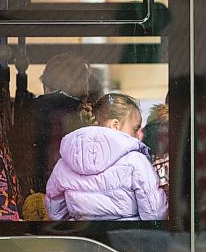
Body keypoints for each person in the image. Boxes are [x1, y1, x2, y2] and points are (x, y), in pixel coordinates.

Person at [45, 93, 168, 221]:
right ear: (115, 126)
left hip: (82, 237)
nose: (138, 135)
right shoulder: (136, 162)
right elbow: (154, 214)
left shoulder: (64, 164)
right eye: (135, 129)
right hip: (125, 238)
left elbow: (55, 210)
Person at [11, 53, 94, 200]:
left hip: (34, 189)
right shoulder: (81, 114)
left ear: (47, 83)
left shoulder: (30, 109)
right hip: (74, 191)